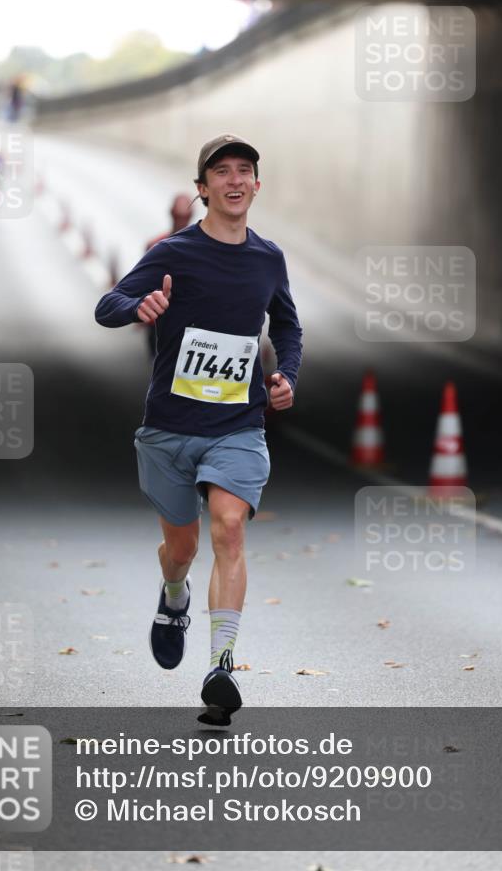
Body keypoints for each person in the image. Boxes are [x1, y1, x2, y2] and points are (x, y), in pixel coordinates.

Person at [94, 134, 302, 724]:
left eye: (245, 171)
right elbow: (107, 304)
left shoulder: (268, 258)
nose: (234, 180)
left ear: (256, 186)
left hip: (238, 426)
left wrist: (285, 374)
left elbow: (288, 327)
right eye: (221, 171)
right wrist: (138, 308)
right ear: (203, 187)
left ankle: (221, 666)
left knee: (230, 529)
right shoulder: (175, 253)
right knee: (181, 548)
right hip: (170, 427)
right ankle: (174, 596)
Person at [143, 193, 195, 357]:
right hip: (160, 323)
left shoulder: (202, 249)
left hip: (189, 323)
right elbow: (143, 283)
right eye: (179, 216)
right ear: (171, 214)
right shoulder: (155, 246)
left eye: (184, 216)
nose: (181, 221)